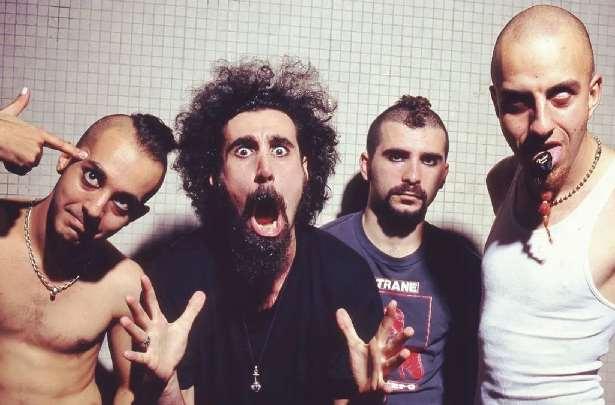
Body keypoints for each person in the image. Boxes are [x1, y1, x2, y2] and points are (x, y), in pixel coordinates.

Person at [119, 59, 414, 405]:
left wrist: (366, 399)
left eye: (280, 149)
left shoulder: (345, 277)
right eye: (243, 150)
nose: (264, 169)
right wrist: (164, 383)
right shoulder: (178, 273)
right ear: (215, 175)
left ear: (306, 170)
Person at [0, 87, 184, 404]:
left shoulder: (124, 283)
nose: (96, 209)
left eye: (122, 203)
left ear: (135, 216)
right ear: (65, 158)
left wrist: (163, 383)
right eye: (93, 177)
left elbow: (129, 391)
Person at [481, 5, 615, 404]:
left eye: (561, 95)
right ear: (497, 103)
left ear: (593, 94)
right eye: (517, 102)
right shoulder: (504, 180)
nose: (540, 124)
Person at [322, 95, 481, 404]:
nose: (412, 176)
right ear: (366, 165)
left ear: (443, 175)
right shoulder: (320, 252)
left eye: (429, 160)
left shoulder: (464, 269)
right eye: (397, 156)